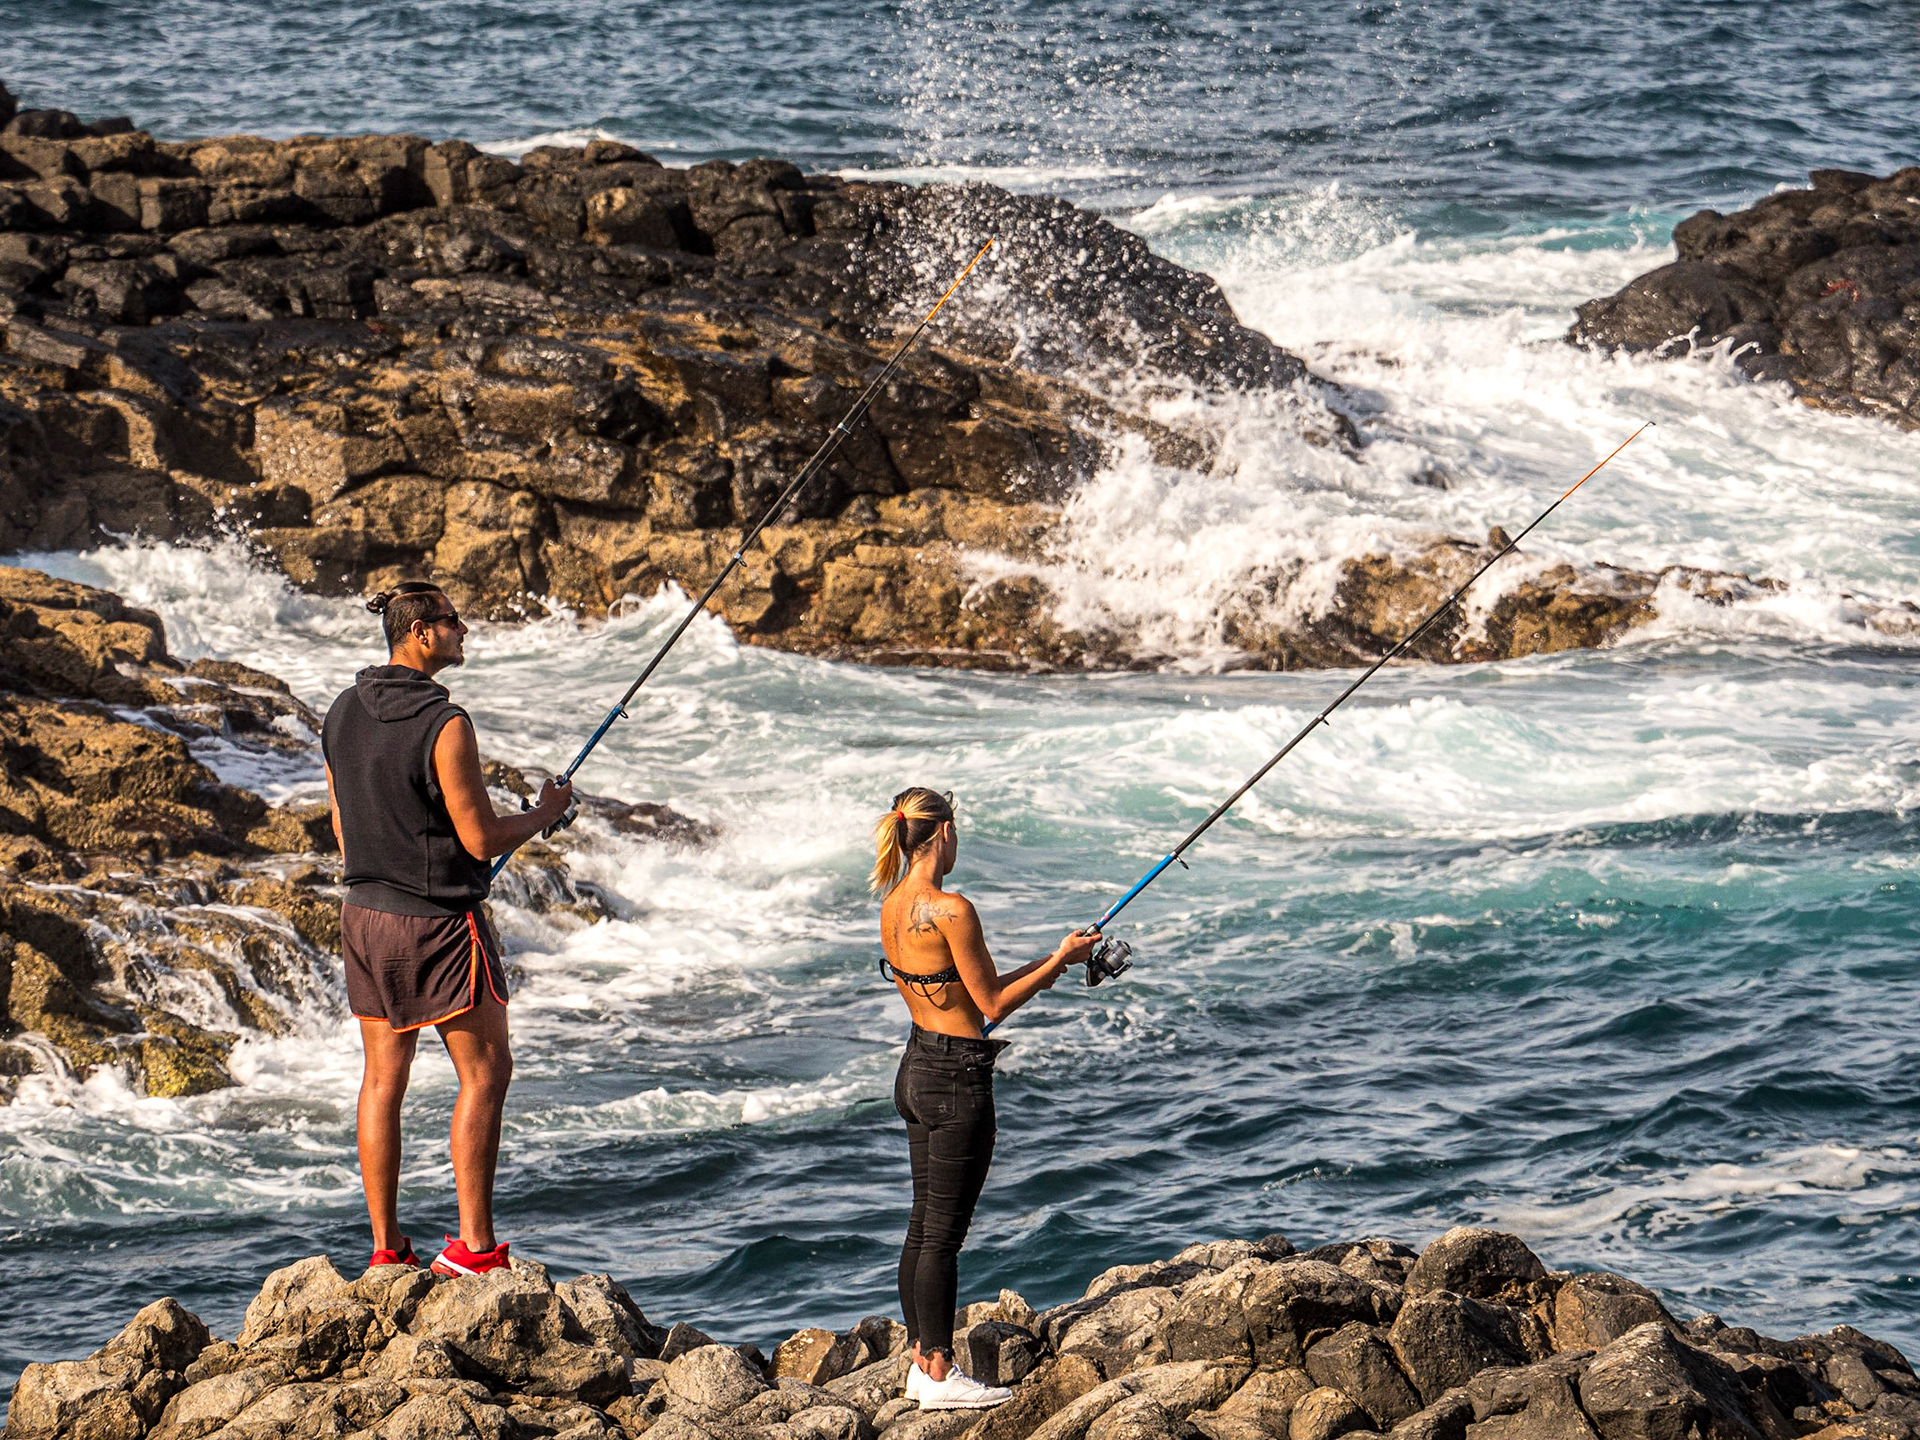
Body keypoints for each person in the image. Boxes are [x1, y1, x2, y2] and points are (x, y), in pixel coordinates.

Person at [322, 581, 573, 1277]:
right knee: (487, 1070)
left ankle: (385, 1249)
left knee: (382, 1080)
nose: (464, 630)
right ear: (421, 634)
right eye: (453, 621)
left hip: (363, 916)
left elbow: (344, 824)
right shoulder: (446, 721)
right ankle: (475, 1248)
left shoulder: (341, 712)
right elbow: (483, 836)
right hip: (435, 926)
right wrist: (546, 813)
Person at [872, 787, 1097, 1409]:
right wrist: (1061, 961)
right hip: (954, 1082)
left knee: (922, 1228)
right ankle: (941, 1372)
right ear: (942, 832)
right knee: (943, 1237)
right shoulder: (951, 907)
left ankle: (921, 1359)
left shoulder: (894, 903)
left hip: (916, 1068)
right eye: (956, 828)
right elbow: (992, 1006)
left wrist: (1054, 959)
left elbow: (968, 989)